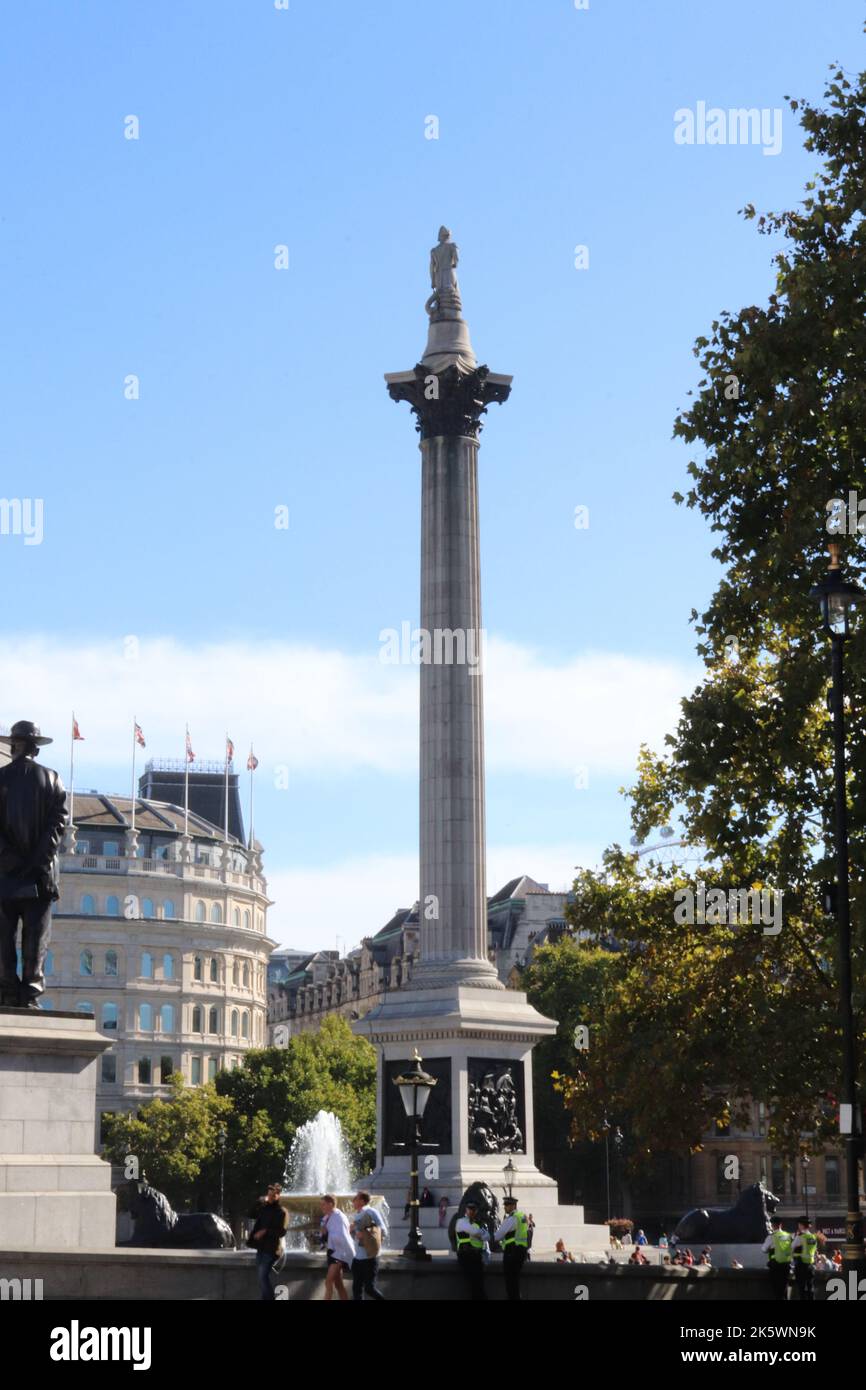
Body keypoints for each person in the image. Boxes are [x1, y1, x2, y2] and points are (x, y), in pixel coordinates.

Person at [0, 720, 68, 1008]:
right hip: (40, 877)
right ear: (35, 750)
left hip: (4, 875)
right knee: (36, 941)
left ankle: (5, 991)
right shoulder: (52, 779)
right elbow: (59, 823)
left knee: (2, 941)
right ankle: (30, 994)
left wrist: (10, 858)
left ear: (14, 746)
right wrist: (37, 860)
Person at [248, 1183, 289, 1301]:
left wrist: (265, 1231)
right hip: (261, 1247)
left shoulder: (282, 1212)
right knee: (261, 1278)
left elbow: (282, 1232)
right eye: (269, 1194)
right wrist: (259, 1201)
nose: (270, 1197)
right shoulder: (264, 1208)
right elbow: (250, 1214)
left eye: (273, 1195)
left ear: (278, 1195)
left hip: (272, 1249)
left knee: (262, 1276)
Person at [349, 1190, 386, 1301]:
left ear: (361, 1201)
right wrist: (352, 1231)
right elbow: (356, 1236)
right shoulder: (357, 1215)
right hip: (358, 1258)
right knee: (356, 1289)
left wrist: (365, 1233)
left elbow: (382, 1230)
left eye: (355, 1199)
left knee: (369, 1289)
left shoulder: (370, 1211)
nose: (353, 1201)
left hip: (370, 1258)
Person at [494, 1195, 530, 1301]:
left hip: (511, 1252)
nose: (505, 1207)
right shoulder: (522, 1216)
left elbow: (498, 1236)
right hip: (521, 1251)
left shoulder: (511, 1218)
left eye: (507, 1205)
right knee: (515, 1281)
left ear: (514, 1205)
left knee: (510, 1283)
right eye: (505, 1205)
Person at [321, 1194, 354, 1301]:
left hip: (339, 1253)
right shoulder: (327, 1218)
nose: (321, 1207)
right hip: (332, 1252)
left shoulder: (339, 1216)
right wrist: (324, 1234)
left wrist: (327, 1234)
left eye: (324, 1204)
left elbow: (343, 1235)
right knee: (338, 1284)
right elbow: (329, 1236)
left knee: (328, 1281)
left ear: (331, 1204)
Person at [455, 1200, 489, 1300]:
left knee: (479, 1284)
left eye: (473, 1210)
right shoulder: (461, 1222)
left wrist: (480, 1234)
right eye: (469, 1209)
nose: (471, 1212)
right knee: (474, 1284)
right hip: (465, 1256)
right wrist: (480, 1234)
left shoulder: (477, 1224)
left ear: (476, 1211)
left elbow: (487, 1237)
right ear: (466, 1210)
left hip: (476, 1257)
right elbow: (474, 1232)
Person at [792, 1217, 818, 1301]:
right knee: (810, 1287)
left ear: (802, 1225)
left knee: (801, 1288)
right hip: (810, 1265)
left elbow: (791, 1248)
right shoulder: (813, 1237)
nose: (798, 1226)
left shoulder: (800, 1236)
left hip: (801, 1265)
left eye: (799, 1224)